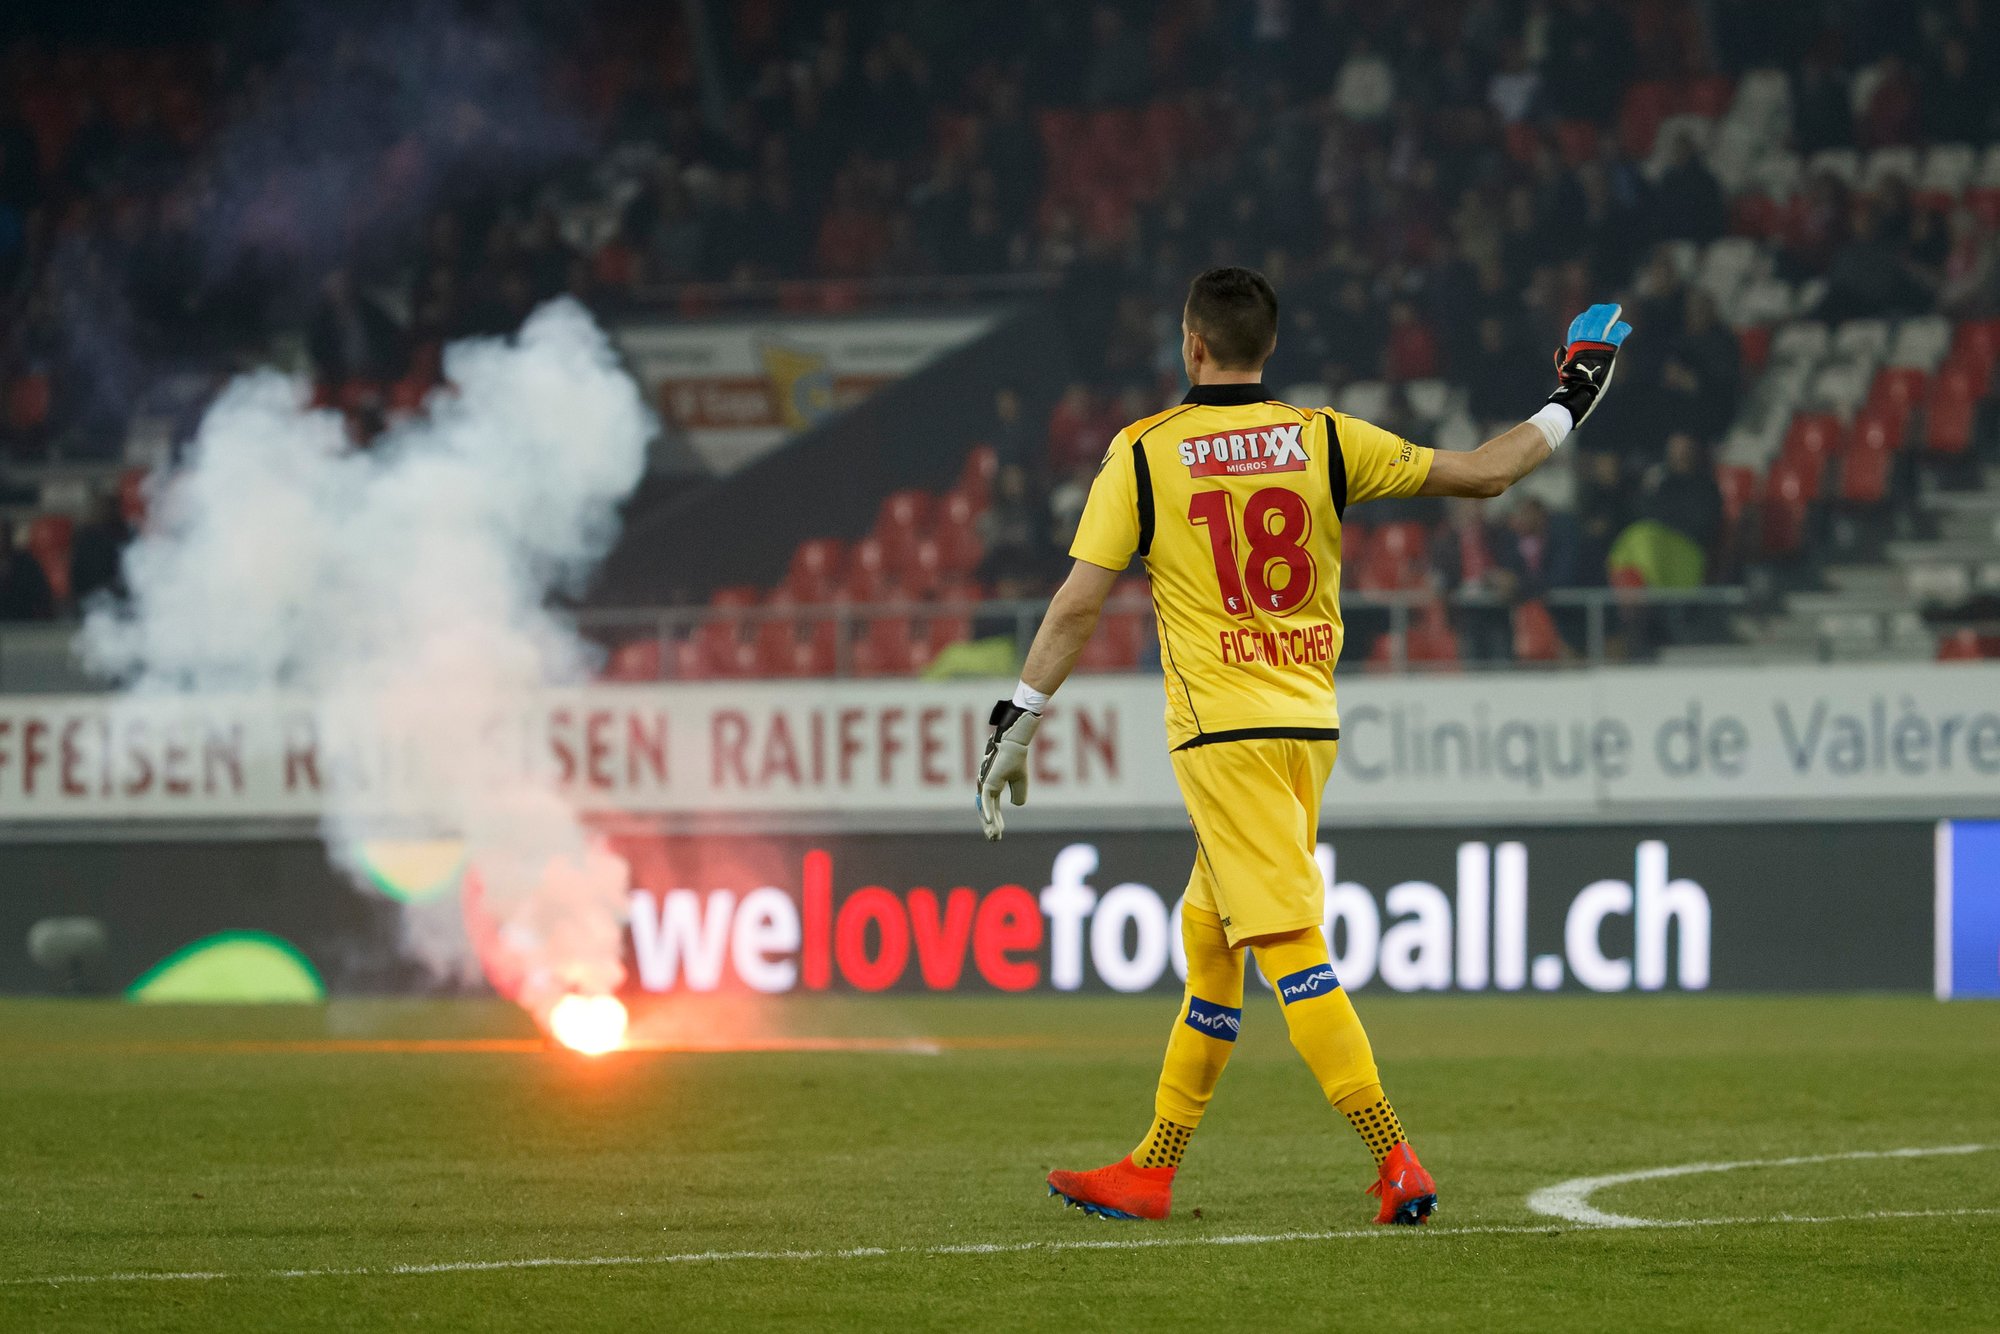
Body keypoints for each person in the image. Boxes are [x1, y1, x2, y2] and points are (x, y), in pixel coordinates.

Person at [974, 267, 1631, 1226]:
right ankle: (1153, 1167)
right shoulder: (1325, 438)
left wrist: (1019, 719)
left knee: (1287, 950)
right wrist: (1571, 395)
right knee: (1209, 941)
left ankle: (1396, 1158)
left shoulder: (1144, 454)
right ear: (1266, 348)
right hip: (1306, 728)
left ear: (1191, 345)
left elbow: (1079, 601)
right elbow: (1487, 474)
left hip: (1220, 736)